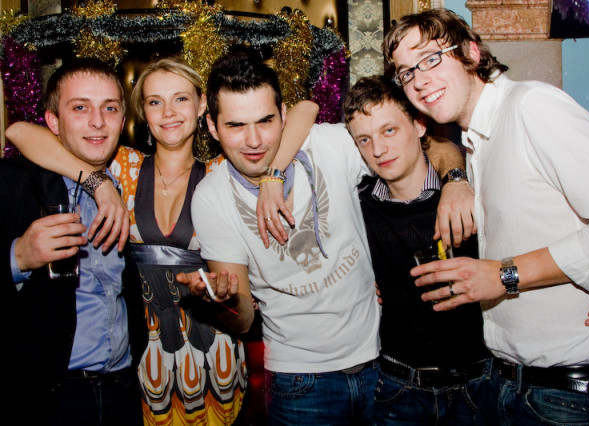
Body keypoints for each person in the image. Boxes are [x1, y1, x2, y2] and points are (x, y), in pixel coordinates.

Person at [6, 57, 318, 425]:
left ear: (202, 106)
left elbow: (305, 110)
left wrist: (271, 176)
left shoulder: (224, 173)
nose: (168, 112)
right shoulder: (120, 168)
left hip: (213, 353)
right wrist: (97, 182)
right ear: (142, 113)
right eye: (155, 101)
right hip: (140, 361)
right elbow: (20, 132)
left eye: (181, 99)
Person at [180, 48, 475, 424]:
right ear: (211, 126)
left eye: (265, 121)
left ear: (283, 114)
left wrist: (455, 180)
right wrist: (221, 301)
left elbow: (425, 145)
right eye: (236, 126)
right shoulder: (211, 198)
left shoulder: (328, 144)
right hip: (299, 382)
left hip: (384, 367)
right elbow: (242, 321)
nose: (253, 140)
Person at [383, 8, 589, 424]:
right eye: (406, 72)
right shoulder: (477, 138)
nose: (419, 80)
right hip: (507, 383)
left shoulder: (531, 106)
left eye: (431, 58)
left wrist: (503, 275)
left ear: (471, 52)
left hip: (570, 395)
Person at [1, 58, 144, 425]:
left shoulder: (128, 178)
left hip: (123, 388)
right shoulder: (14, 182)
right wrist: (18, 257)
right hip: (50, 396)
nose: (97, 121)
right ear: (53, 122)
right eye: (80, 107)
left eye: (109, 108)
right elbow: (17, 131)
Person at [343, 75, 490, 424]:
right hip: (398, 389)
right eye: (364, 139)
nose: (378, 150)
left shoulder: (470, 194)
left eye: (389, 130)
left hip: (479, 386)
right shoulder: (359, 207)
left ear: (419, 125)